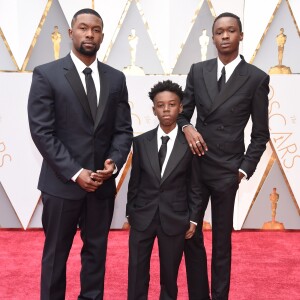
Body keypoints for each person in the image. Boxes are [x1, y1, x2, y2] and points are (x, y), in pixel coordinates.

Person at [28, 8, 133, 300]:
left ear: (102, 35)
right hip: (62, 185)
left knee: (96, 253)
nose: (90, 34)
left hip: (101, 185)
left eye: (96, 29)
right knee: (55, 255)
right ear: (71, 32)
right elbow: (42, 132)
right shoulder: (46, 74)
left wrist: (114, 162)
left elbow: (123, 130)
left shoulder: (115, 79)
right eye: (83, 28)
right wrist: (76, 172)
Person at [178, 12, 270, 300]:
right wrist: (187, 126)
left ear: (241, 36)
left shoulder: (256, 78)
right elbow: (182, 113)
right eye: (220, 32)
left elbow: (260, 133)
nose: (225, 36)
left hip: (227, 172)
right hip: (195, 166)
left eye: (231, 31)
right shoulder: (197, 70)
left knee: (221, 243)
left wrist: (243, 170)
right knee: (190, 235)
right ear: (213, 37)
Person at [126, 80, 203, 300]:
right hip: (142, 217)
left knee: (169, 276)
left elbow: (195, 185)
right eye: (161, 105)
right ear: (154, 109)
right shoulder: (140, 142)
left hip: (175, 218)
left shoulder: (191, 143)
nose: (166, 109)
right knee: (137, 272)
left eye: (171, 104)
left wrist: (194, 219)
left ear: (181, 108)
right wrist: (131, 211)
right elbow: (135, 181)